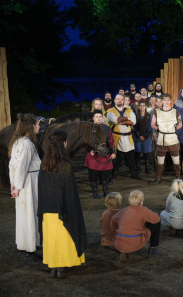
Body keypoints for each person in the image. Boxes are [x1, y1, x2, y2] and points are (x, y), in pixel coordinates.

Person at [38, 129, 87, 278]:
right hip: (63, 211)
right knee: (64, 238)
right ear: (63, 143)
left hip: (48, 211)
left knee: (52, 239)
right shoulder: (65, 165)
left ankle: (54, 266)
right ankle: (62, 267)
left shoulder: (44, 165)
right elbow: (70, 192)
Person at [8, 113, 42, 263]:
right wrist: (18, 187)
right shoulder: (26, 144)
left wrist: (13, 184)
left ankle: (29, 244)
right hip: (29, 183)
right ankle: (29, 249)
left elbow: (12, 166)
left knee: (26, 214)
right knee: (30, 214)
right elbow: (21, 167)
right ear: (32, 126)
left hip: (25, 182)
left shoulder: (18, 142)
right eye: (37, 124)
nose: (39, 126)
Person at [112, 190, 161, 260]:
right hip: (135, 243)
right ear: (141, 202)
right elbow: (156, 219)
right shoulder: (143, 210)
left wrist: (116, 231)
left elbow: (113, 220)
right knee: (156, 223)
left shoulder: (123, 210)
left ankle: (123, 250)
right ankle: (152, 249)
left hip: (119, 243)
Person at [106, 93, 142, 181]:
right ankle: (114, 175)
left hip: (128, 137)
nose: (120, 101)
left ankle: (133, 173)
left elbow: (133, 122)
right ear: (114, 100)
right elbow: (113, 120)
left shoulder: (129, 110)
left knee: (130, 157)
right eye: (118, 99)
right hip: (116, 137)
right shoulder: (110, 111)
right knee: (116, 158)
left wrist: (120, 120)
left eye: (121, 99)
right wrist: (127, 119)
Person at [149, 93, 182, 184]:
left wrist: (173, 129)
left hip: (173, 139)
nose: (166, 102)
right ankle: (158, 179)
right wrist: (159, 129)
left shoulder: (176, 112)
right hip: (161, 139)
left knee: (176, 162)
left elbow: (180, 124)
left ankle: (178, 179)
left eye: (168, 100)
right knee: (160, 162)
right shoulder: (157, 112)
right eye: (164, 100)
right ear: (162, 101)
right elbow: (153, 124)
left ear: (170, 101)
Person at [85, 110, 115, 198]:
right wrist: (89, 149)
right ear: (93, 118)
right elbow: (85, 141)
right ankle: (95, 192)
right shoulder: (88, 129)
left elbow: (111, 141)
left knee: (105, 176)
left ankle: (105, 191)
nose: (98, 118)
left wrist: (113, 152)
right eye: (96, 117)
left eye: (100, 116)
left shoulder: (107, 128)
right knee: (93, 175)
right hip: (93, 156)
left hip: (106, 155)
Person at [134, 101, 153, 174]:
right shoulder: (135, 116)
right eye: (140, 106)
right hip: (137, 136)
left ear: (145, 107)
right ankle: (138, 169)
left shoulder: (149, 115)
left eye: (143, 105)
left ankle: (147, 169)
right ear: (138, 107)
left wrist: (145, 136)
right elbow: (134, 127)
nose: (142, 107)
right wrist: (139, 136)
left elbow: (150, 126)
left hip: (146, 136)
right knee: (137, 154)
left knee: (146, 154)